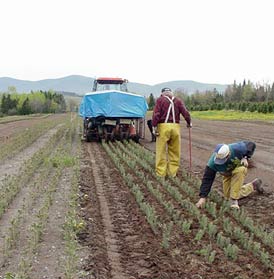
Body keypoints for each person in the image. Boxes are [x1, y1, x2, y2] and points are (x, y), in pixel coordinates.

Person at [196, 141, 264, 209]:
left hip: (238, 169)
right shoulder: (212, 164)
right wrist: (202, 197)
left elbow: (251, 144)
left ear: (228, 154)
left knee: (241, 170)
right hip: (227, 173)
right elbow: (207, 180)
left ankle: (234, 201)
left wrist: (246, 158)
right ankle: (253, 185)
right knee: (228, 196)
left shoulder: (238, 148)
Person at [152, 87, 191, 177]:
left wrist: (154, 126)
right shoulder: (178, 101)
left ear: (162, 94)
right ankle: (172, 173)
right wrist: (189, 123)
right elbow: (185, 112)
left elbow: (156, 114)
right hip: (175, 127)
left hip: (163, 127)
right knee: (174, 151)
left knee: (161, 151)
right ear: (171, 93)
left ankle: (161, 173)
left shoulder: (160, 100)